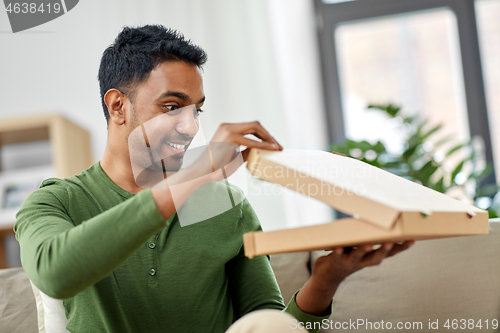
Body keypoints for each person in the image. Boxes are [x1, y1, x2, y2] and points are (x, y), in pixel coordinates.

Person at [14, 25, 413, 333]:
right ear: (118, 106)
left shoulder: (225, 204)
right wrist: (195, 176)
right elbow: (56, 272)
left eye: (196, 110)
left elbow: (267, 324)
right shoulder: (57, 202)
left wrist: (325, 282)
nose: (189, 127)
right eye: (172, 107)